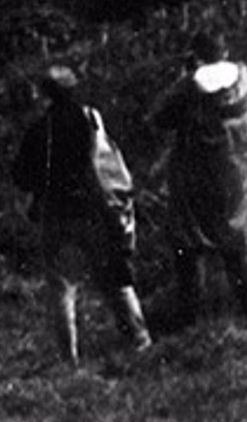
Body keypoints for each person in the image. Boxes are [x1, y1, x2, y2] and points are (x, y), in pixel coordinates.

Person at [10, 65, 151, 365]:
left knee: (62, 289)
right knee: (115, 279)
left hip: (56, 215)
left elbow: (20, 176)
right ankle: (141, 342)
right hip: (93, 211)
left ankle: (69, 361)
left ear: (45, 93)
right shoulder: (90, 118)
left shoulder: (39, 130)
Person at [147, 29, 247, 323]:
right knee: (234, 242)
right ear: (224, 52)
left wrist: (186, 75)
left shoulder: (189, 87)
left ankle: (192, 321)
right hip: (233, 172)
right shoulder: (246, 81)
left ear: (196, 56)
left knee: (188, 246)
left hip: (193, 177)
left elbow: (159, 117)